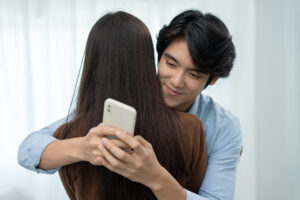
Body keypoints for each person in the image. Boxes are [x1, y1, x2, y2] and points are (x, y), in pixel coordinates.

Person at [18, 9, 242, 200]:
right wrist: (83, 148)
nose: (176, 81)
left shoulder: (222, 126)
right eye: (171, 63)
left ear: (212, 80)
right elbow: (28, 150)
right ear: (158, 55)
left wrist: (156, 176)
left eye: (193, 74)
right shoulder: (121, 101)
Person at [57, 11, 207, 200]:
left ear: (91, 63)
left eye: (193, 74)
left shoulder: (66, 137)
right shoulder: (191, 128)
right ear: (149, 61)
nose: (177, 81)